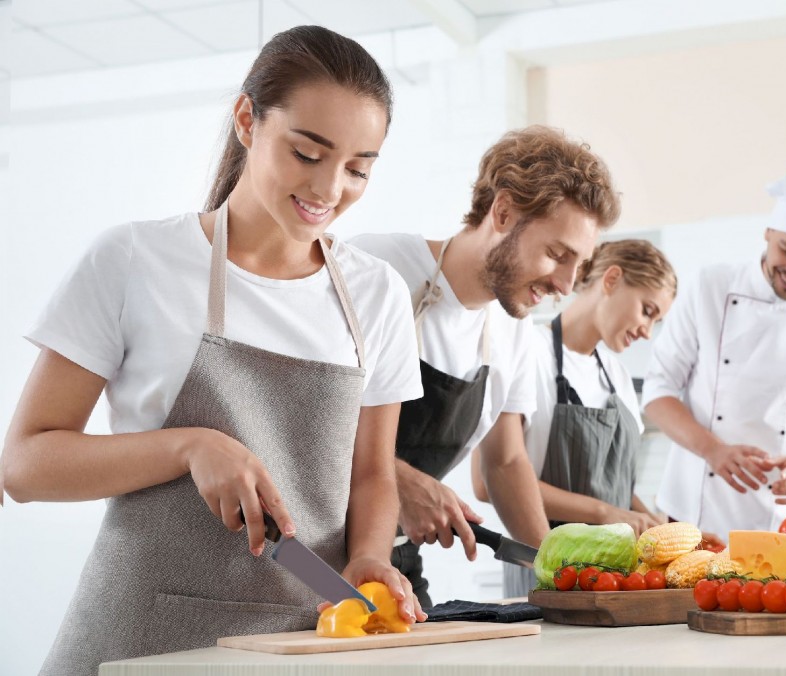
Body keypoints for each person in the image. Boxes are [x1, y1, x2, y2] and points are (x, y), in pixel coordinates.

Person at [1, 26, 426, 675]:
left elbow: (372, 473)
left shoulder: (378, 295)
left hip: (301, 644)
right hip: (138, 641)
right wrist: (189, 446)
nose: (330, 189)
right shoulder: (135, 261)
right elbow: (25, 465)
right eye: (307, 152)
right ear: (247, 120)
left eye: (358, 168)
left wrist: (369, 554)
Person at [350, 126, 620, 607]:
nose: (565, 283)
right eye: (557, 254)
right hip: (306, 558)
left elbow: (505, 460)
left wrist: (550, 573)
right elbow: (294, 417)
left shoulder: (512, 329)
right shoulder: (374, 268)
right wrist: (400, 480)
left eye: (578, 265)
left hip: (396, 569)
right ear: (503, 211)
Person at [642, 174, 786, 536]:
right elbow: (658, 392)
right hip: (693, 512)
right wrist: (713, 450)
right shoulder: (711, 287)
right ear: (768, 233)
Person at [470, 239, 694, 597]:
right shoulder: (526, 350)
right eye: (647, 311)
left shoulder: (618, 377)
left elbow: (615, 488)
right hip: (544, 569)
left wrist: (655, 528)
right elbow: (487, 483)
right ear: (612, 279)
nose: (647, 331)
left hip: (615, 578)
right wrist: (605, 514)